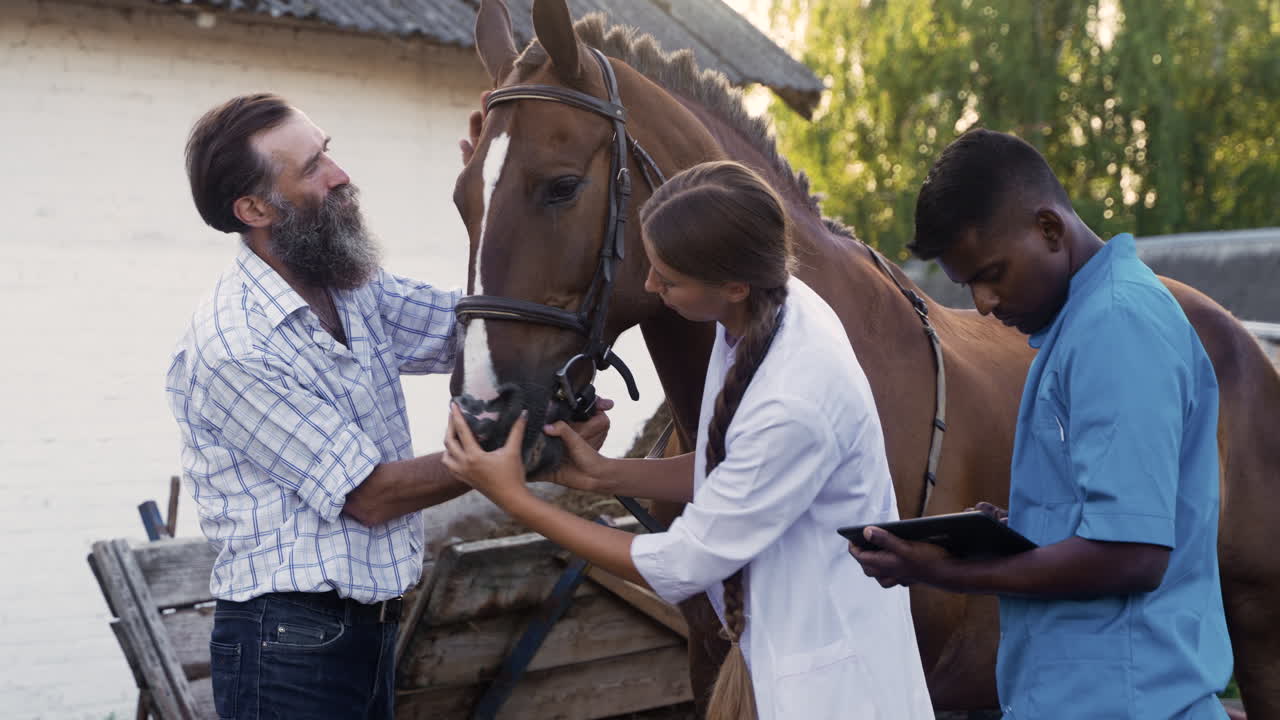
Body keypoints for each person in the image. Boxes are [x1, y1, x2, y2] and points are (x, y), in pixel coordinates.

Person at [165, 93, 608, 719]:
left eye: (328, 149)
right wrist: (518, 450)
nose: (340, 173)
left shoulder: (347, 286)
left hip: (364, 626)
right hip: (287, 644)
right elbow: (369, 495)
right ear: (254, 207)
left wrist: (501, 197)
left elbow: (466, 328)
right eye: (312, 166)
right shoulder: (235, 345)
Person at [442, 160, 934, 719]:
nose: (651, 286)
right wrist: (600, 474)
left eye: (668, 279)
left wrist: (517, 500)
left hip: (832, 690)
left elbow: (680, 563)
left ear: (733, 285)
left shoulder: (795, 396)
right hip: (780, 658)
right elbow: (735, 467)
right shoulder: (762, 310)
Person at [848, 128, 1232, 719]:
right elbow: (1105, 519)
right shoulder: (1077, 326)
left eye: (992, 273)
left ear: (1049, 229)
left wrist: (949, 572)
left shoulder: (1117, 326)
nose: (982, 303)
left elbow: (1133, 553)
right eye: (967, 284)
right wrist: (1011, 532)